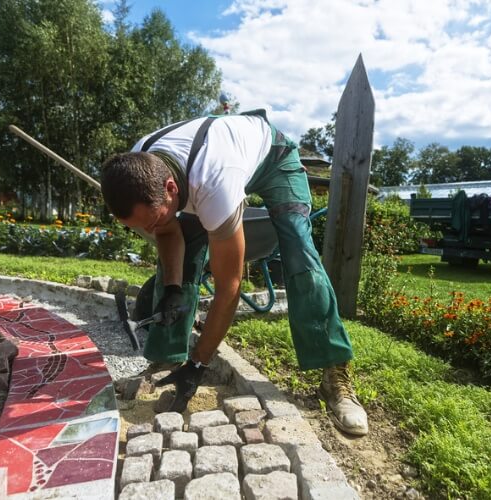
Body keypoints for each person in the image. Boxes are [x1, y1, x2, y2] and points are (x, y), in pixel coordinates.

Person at [99, 110, 368, 435]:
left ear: (170, 188)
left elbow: (229, 287)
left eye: (152, 221)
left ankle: (334, 375)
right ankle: (166, 359)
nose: (149, 232)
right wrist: (171, 288)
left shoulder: (215, 181)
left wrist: (198, 364)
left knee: (298, 249)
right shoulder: (139, 164)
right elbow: (167, 231)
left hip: (274, 158)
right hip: (204, 173)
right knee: (179, 256)